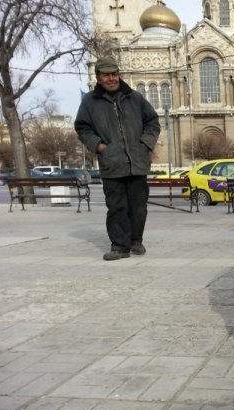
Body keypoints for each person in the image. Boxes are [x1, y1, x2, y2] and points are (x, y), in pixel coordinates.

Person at [75, 57, 161, 261]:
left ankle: (135, 240)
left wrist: (145, 144)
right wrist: (99, 146)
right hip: (111, 162)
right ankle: (120, 246)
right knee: (117, 206)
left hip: (137, 162)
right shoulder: (89, 102)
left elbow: (153, 122)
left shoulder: (135, 98)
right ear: (98, 78)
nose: (112, 78)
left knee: (138, 206)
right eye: (106, 75)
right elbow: (82, 128)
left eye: (114, 74)